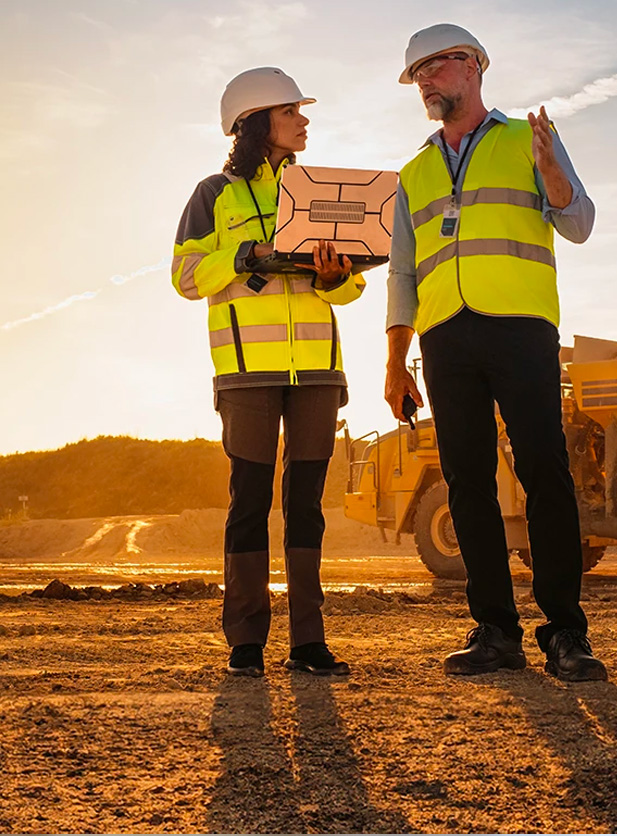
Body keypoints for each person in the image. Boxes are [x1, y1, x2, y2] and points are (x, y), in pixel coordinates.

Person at [384, 24, 607, 681]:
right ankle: (495, 632)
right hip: (445, 334)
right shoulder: (413, 172)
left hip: (520, 325)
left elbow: (580, 223)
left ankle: (566, 633)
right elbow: (401, 274)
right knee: (466, 482)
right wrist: (397, 362)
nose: (426, 80)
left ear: (473, 67)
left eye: (437, 67)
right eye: (417, 72)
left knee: (544, 470)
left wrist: (552, 178)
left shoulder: (525, 140)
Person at [172, 67, 367, 677]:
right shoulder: (213, 194)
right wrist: (239, 257)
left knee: (306, 506)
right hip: (246, 374)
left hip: (315, 371)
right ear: (257, 121)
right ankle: (246, 642)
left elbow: (352, 284)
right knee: (249, 501)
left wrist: (336, 275)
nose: (304, 121)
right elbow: (183, 277)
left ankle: (309, 642)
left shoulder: (318, 191)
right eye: (292, 112)